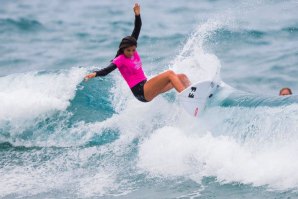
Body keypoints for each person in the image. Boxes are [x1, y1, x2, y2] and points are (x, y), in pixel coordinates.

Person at [84, 3, 190, 102]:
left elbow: (137, 28)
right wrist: (95, 74)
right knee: (170, 74)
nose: (131, 53)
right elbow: (107, 70)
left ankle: (196, 95)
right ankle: (189, 99)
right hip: (141, 92)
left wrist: (137, 15)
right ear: (123, 49)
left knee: (182, 77)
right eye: (128, 50)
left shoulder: (132, 45)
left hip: (147, 86)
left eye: (133, 50)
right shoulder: (120, 59)